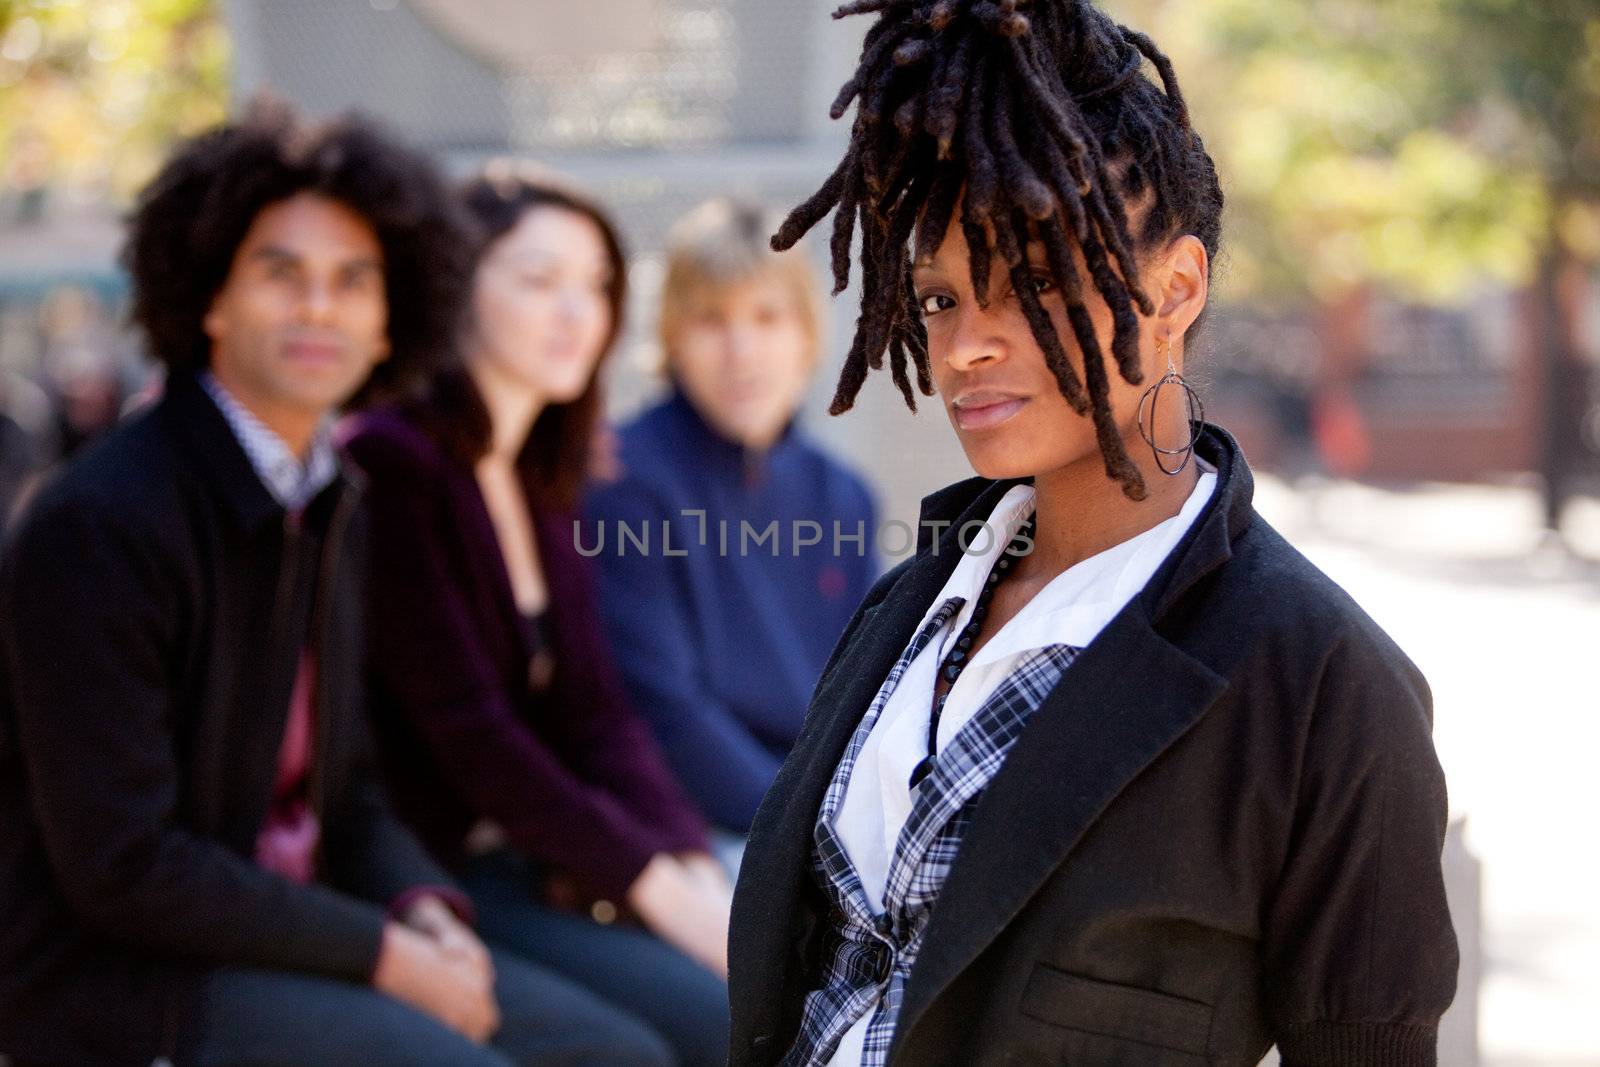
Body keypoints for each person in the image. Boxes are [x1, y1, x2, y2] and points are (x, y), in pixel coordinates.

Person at [727, 2, 1459, 1065]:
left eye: (1026, 283)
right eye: (936, 299)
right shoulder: (906, 610)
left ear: (1175, 288)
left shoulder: (1323, 688)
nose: (967, 345)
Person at [0, 107, 672, 1067]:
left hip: (296, 926)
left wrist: (427, 914)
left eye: (354, 280)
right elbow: (123, 866)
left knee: (617, 1053)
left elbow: (349, 788)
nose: (322, 307)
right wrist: (385, 953)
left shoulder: (331, 497)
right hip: (121, 978)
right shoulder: (99, 524)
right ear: (210, 298)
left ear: (391, 315)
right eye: (283, 272)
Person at [345, 167, 733, 1067]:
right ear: (458, 287)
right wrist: (655, 888)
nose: (577, 313)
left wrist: (688, 864)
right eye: (539, 280)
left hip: (535, 863)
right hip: (429, 875)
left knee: (751, 971)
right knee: (681, 1030)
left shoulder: (538, 473)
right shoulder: (390, 464)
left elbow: (599, 713)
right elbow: (474, 736)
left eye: (595, 286)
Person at [585, 199, 878, 851]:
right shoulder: (622, 480)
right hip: (696, 825)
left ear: (806, 333)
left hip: (816, 810)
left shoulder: (845, 496)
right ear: (670, 338)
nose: (741, 350)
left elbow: (869, 696)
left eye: (767, 317)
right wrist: (807, 839)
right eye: (711, 320)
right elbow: (666, 708)